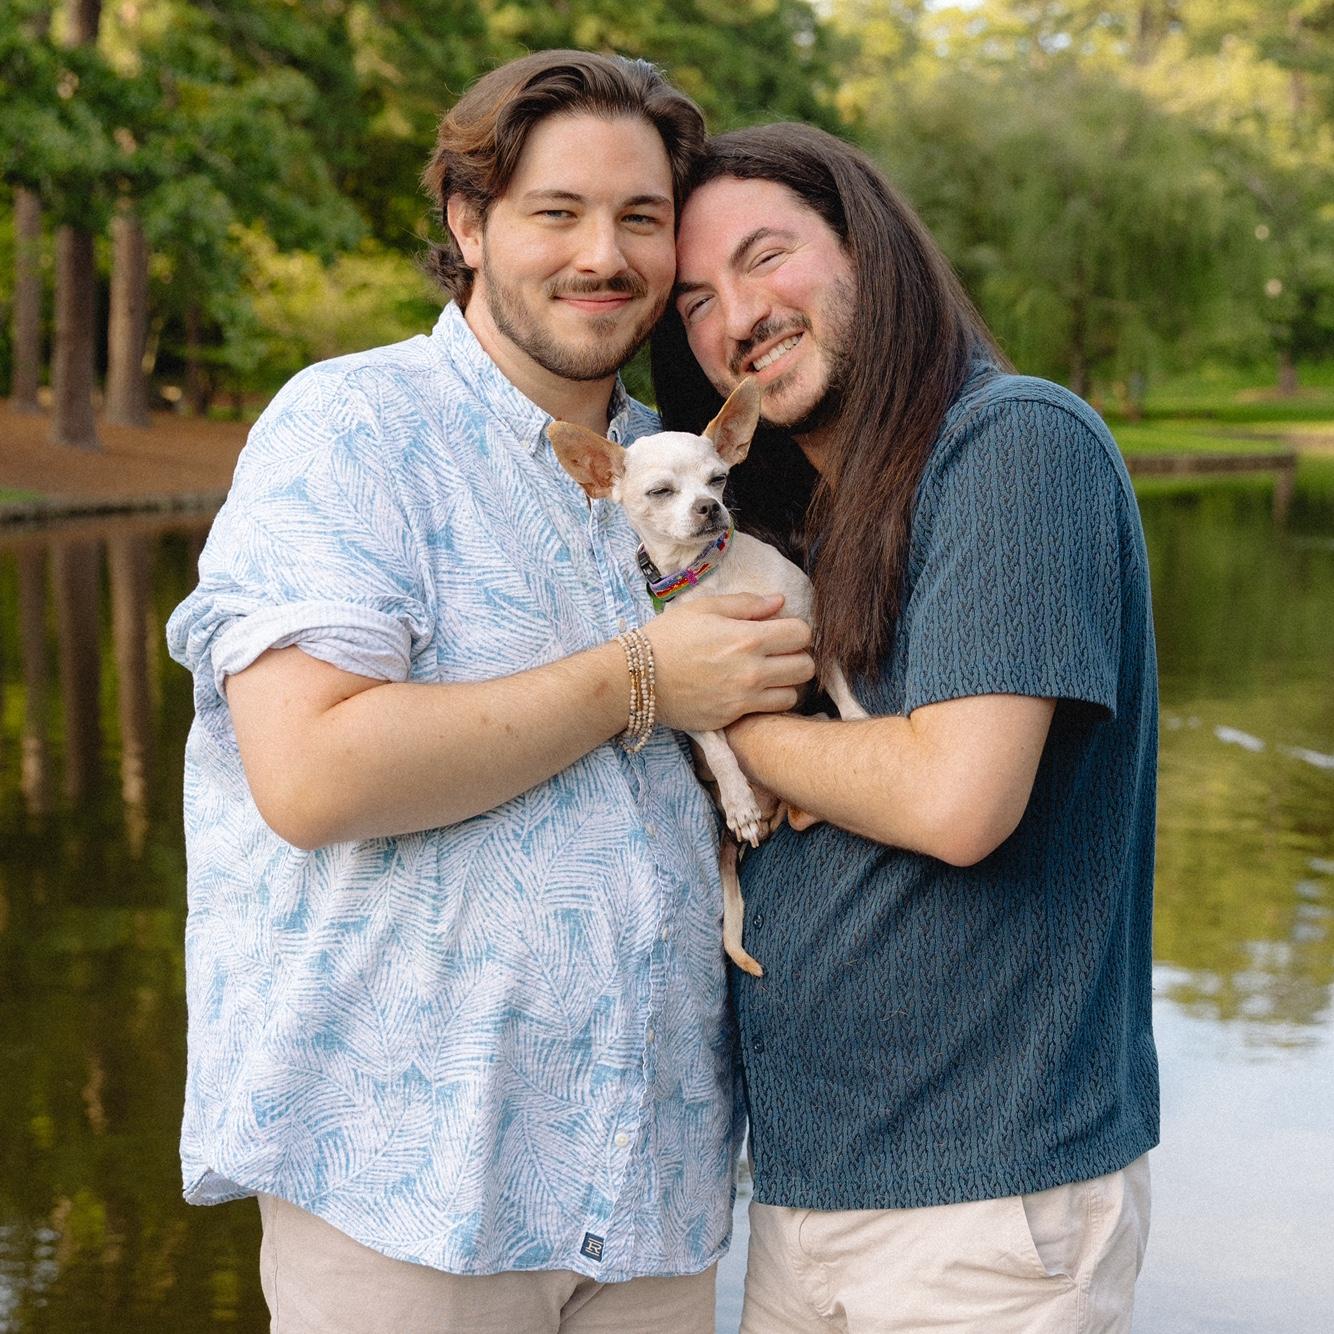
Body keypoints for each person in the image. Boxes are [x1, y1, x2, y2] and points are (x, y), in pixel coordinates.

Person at [165, 53, 816, 1334]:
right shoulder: (353, 427)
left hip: (653, 1189)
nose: (603, 255)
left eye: (640, 217)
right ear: (467, 224)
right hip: (408, 1191)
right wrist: (641, 677)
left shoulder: (673, 464)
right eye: (554, 211)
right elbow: (310, 774)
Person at [651, 122, 1159, 1333]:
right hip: (816, 1192)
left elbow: (954, 797)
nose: (737, 315)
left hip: (982, 1206)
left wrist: (726, 720)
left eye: (765, 256)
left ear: (865, 247)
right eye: (695, 300)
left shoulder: (1011, 445)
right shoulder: (810, 520)